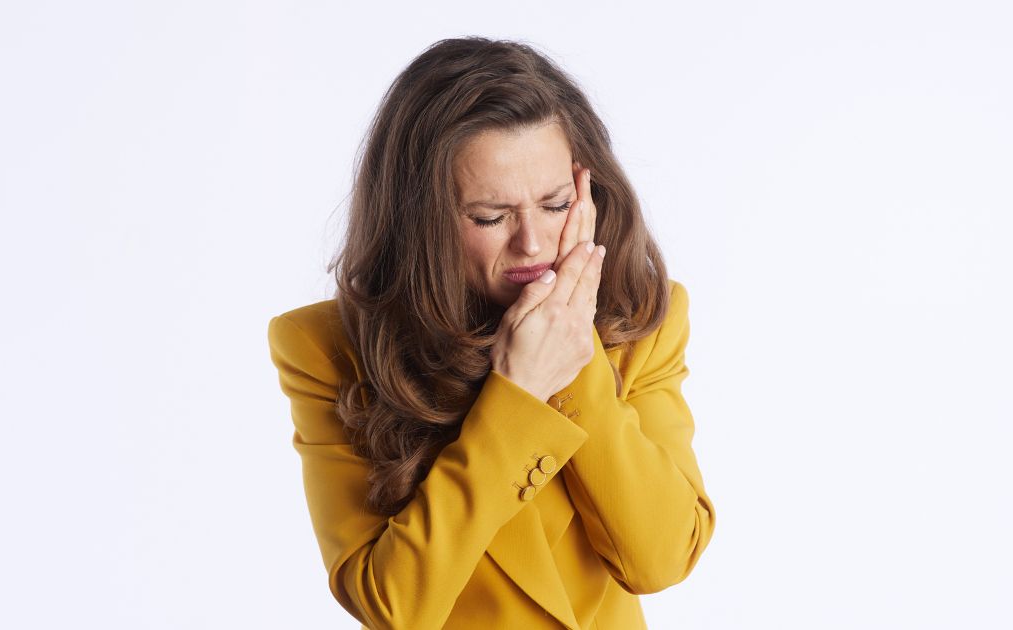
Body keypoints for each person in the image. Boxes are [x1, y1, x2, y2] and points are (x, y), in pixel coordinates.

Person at [266, 36, 716, 630]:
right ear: (419, 221)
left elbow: (660, 559)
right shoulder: (323, 349)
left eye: (555, 204)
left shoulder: (642, 320)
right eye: (491, 217)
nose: (531, 243)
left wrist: (569, 345)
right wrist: (517, 394)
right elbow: (393, 605)